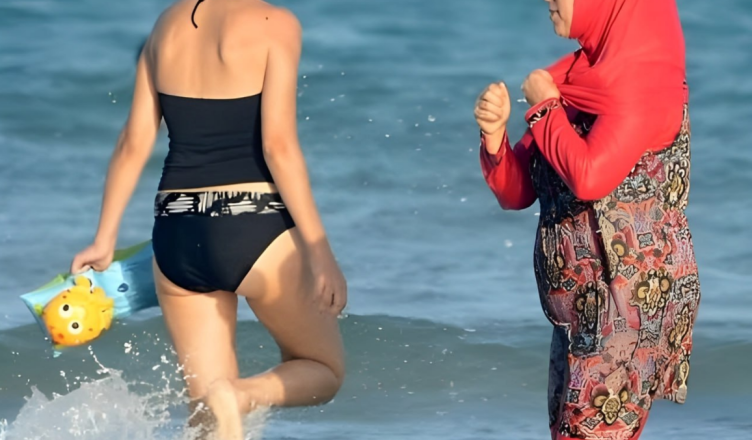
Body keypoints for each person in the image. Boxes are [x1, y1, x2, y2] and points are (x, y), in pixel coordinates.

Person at [70, 1, 346, 439]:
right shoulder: (276, 23)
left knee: (205, 416)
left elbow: (133, 142)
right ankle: (241, 395)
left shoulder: (166, 25)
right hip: (253, 223)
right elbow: (278, 146)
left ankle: (224, 400)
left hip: (176, 231)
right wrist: (319, 250)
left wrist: (104, 238)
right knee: (321, 369)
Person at [474, 0, 700, 439]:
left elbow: (590, 177)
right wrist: (495, 135)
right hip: (581, 313)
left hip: (626, 311)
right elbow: (518, 191)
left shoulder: (646, 78)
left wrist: (545, 109)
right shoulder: (577, 79)